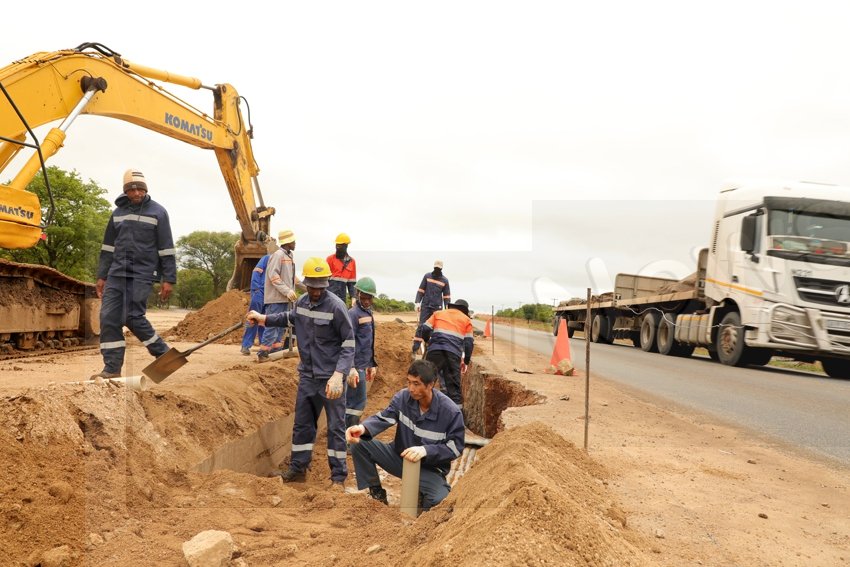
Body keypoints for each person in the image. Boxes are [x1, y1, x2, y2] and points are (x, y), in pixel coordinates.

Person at [247, 257, 354, 486]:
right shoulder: (302, 303)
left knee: (335, 427)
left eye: (320, 287)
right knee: (303, 425)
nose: (316, 292)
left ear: (326, 283)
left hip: (330, 380)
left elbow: (348, 343)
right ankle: (298, 469)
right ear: (307, 284)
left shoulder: (336, 306)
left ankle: (338, 478)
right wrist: (263, 318)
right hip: (307, 376)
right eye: (312, 287)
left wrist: (339, 374)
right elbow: (288, 318)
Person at [346, 359, 465, 511]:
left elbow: (456, 447)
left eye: (416, 384)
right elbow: (384, 417)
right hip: (398, 457)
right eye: (409, 382)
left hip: (428, 469)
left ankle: (423, 507)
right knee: (359, 443)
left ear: (430, 385)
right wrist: (362, 428)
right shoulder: (403, 398)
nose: (410, 388)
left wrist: (426, 451)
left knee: (439, 501)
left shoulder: (450, 412)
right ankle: (376, 493)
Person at [91, 169, 176, 379]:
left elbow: (167, 248)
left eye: (140, 189)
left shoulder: (158, 212)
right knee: (108, 317)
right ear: (126, 191)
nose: (137, 192)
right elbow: (108, 248)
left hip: (143, 272)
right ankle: (111, 369)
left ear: (146, 190)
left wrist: (169, 278)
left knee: (131, 316)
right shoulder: (117, 213)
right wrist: (102, 276)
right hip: (117, 272)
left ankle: (163, 354)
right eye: (132, 189)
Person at [258, 229, 305, 362]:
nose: (295, 243)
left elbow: (291, 278)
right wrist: (287, 291)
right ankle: (263, 353)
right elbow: (273, 276)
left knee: (281, 326)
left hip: (285, 299)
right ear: (288, 242)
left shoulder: (289, 256)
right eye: (293, 241)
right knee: (272, 325)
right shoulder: (278, 255)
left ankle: (275, 350)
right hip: (276, 299)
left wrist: (300, 289)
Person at [420, 299, 474, 409]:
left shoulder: (438, 313)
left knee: (426, 382)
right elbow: (469, 343)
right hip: (453, 355)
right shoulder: (466, 320)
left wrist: (427, 340)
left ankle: (420, 411)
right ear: (464, 310)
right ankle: (457, 420)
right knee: (454, 389)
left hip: (434, 351)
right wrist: (466, 360)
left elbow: (425, 328)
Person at [345, 277, 379, 429]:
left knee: (357, 402)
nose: (366, 301)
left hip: (362, 365)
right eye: (364, 298)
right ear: (358, 294)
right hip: (355, 366)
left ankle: (349, 432)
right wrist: (351, 367)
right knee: (355, 402)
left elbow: (367, 342)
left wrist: (371, 364)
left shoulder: (368, 313)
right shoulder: (353, 314)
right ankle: (347, 435)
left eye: (369, 298)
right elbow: (347, 341)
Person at [412, 260, 450, 357]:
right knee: (421, 327)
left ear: (441, 268)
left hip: (437, 309)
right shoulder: (427, 276)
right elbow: (421, 290)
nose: (436, 270)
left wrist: (447, 308)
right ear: (433, 267)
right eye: (435, 268)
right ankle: (415, 350)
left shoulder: (445, 281)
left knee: (434, 330)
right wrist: (417, 302)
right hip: (426, 306)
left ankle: (430, 349)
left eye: (438, 268)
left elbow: (446, 296)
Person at [239, 248, 272, 356]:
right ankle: (246, 345)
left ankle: (263, 347)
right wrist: (256, 289)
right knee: (253, 319)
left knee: (264, 321)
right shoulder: (267, 258)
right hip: (260, 292)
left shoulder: (279, 262)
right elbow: (256, 272)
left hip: (269, 296)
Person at [326, 232, 357, 304]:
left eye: (340, 245)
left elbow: (352, 283)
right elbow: (324, 279)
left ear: (346, 246)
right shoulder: (330, 259)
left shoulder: (352, 262)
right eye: (337, 245)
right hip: (328, 296)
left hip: (341, 298)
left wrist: (353, 297)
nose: (337, 247)